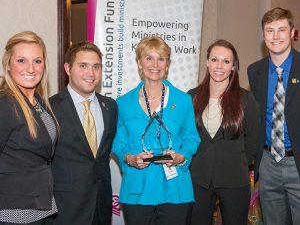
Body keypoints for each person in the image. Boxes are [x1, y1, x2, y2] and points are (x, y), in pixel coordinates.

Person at [112, 36, 200, 225]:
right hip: (137, 189)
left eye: (161, 59)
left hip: (175, 189)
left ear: (167, 65)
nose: (155, 64)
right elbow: (118, 143)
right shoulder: (123, 104)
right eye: (149, 58)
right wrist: (130, 158)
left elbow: (192, 138)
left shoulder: (183, 101)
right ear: (139, 62)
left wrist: (181, 156)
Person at [188, 39, 260, 225]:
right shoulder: (191, 97)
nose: (219, 66)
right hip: (198, 179)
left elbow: (254, 140)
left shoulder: (246, 99)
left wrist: (239, 161)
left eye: (226, 61)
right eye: (214, 59)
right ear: (207, 62)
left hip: (234, 179)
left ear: (233, 66)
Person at [50, 42, 118, 225]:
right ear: (68, 68)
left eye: (96, 67)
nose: (91, 73)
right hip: (65, 209)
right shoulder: (50, 108)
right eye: (83, 66)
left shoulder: (110, 107)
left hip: (101, 206)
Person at [248, 7, 300, 224]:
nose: (276, 36)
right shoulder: (255, 71)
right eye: (270, 30)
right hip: (268, 163)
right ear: (263, 35)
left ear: (292, 32)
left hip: (297, 163)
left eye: (281, 30)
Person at [0, 31, 58, 224]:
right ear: (8, 64)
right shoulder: (5, 103)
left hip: (39, 206)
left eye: (37, 61)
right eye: (22, 61)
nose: (31, 68)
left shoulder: (38, 101)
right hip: (13, 212)